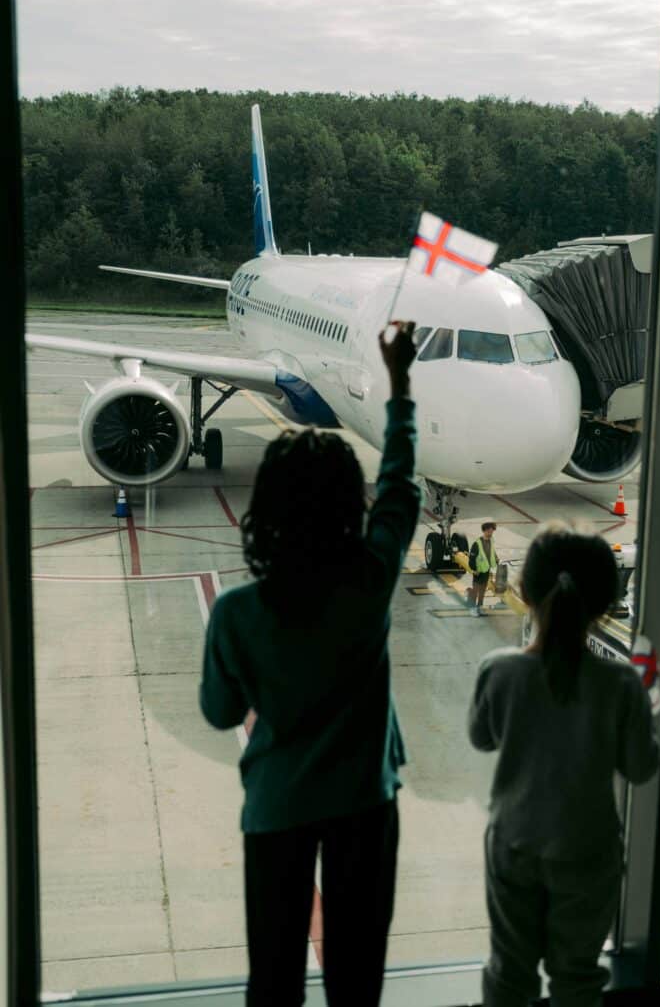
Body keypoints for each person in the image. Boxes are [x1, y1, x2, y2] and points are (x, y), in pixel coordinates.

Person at [200, 321, 420, 1007]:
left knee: (274, 978)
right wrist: (400, 382)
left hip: (276, 809)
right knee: (357, 978)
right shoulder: (370, 577)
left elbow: (220, 712)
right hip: (364, 803)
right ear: (348, 507)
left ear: (264, 509)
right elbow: (399, 481)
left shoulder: (238, 613)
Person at [468, 524, 659, 1007]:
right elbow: (641, 768)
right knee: (576, 978)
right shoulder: (620, 685)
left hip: (515, 844)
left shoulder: (499, 670)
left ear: (525, 592)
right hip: (587, 852)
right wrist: (648, 706)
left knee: (509, 974)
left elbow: (481, 738)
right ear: (603, 604)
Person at [467, 521, 499, 616]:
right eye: (489, 531)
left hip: (486, 570)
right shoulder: (477, 544)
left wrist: (496, 558)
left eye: (492, 531)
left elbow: (492, 552)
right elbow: (471, 559)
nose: (490, 533)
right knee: (475, 590)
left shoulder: (491, 541)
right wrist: (474, 569)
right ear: (484, 531)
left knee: (482, 590)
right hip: (478, 570)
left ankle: (479, 607)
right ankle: (472, 609)